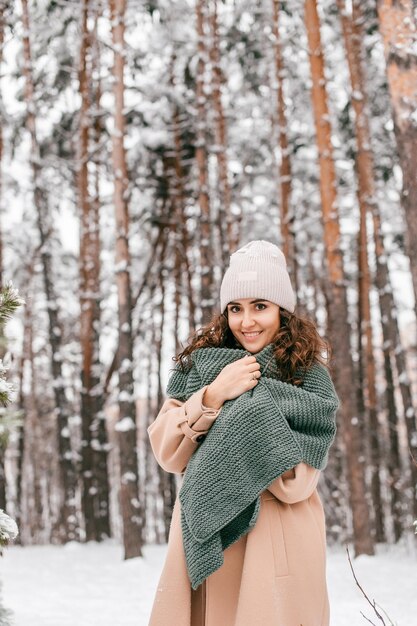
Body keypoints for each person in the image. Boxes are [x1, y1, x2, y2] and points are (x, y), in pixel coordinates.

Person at [147, 240, 339, 626]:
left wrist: (252, 409)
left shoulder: (308, 379)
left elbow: (295, 484)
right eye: (235, 308)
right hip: (205, 540)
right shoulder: (202, 369)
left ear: (282, 311)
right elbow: (167, 451)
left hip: (274, 549)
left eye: (260, 306)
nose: (246, 321)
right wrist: (215, 394)